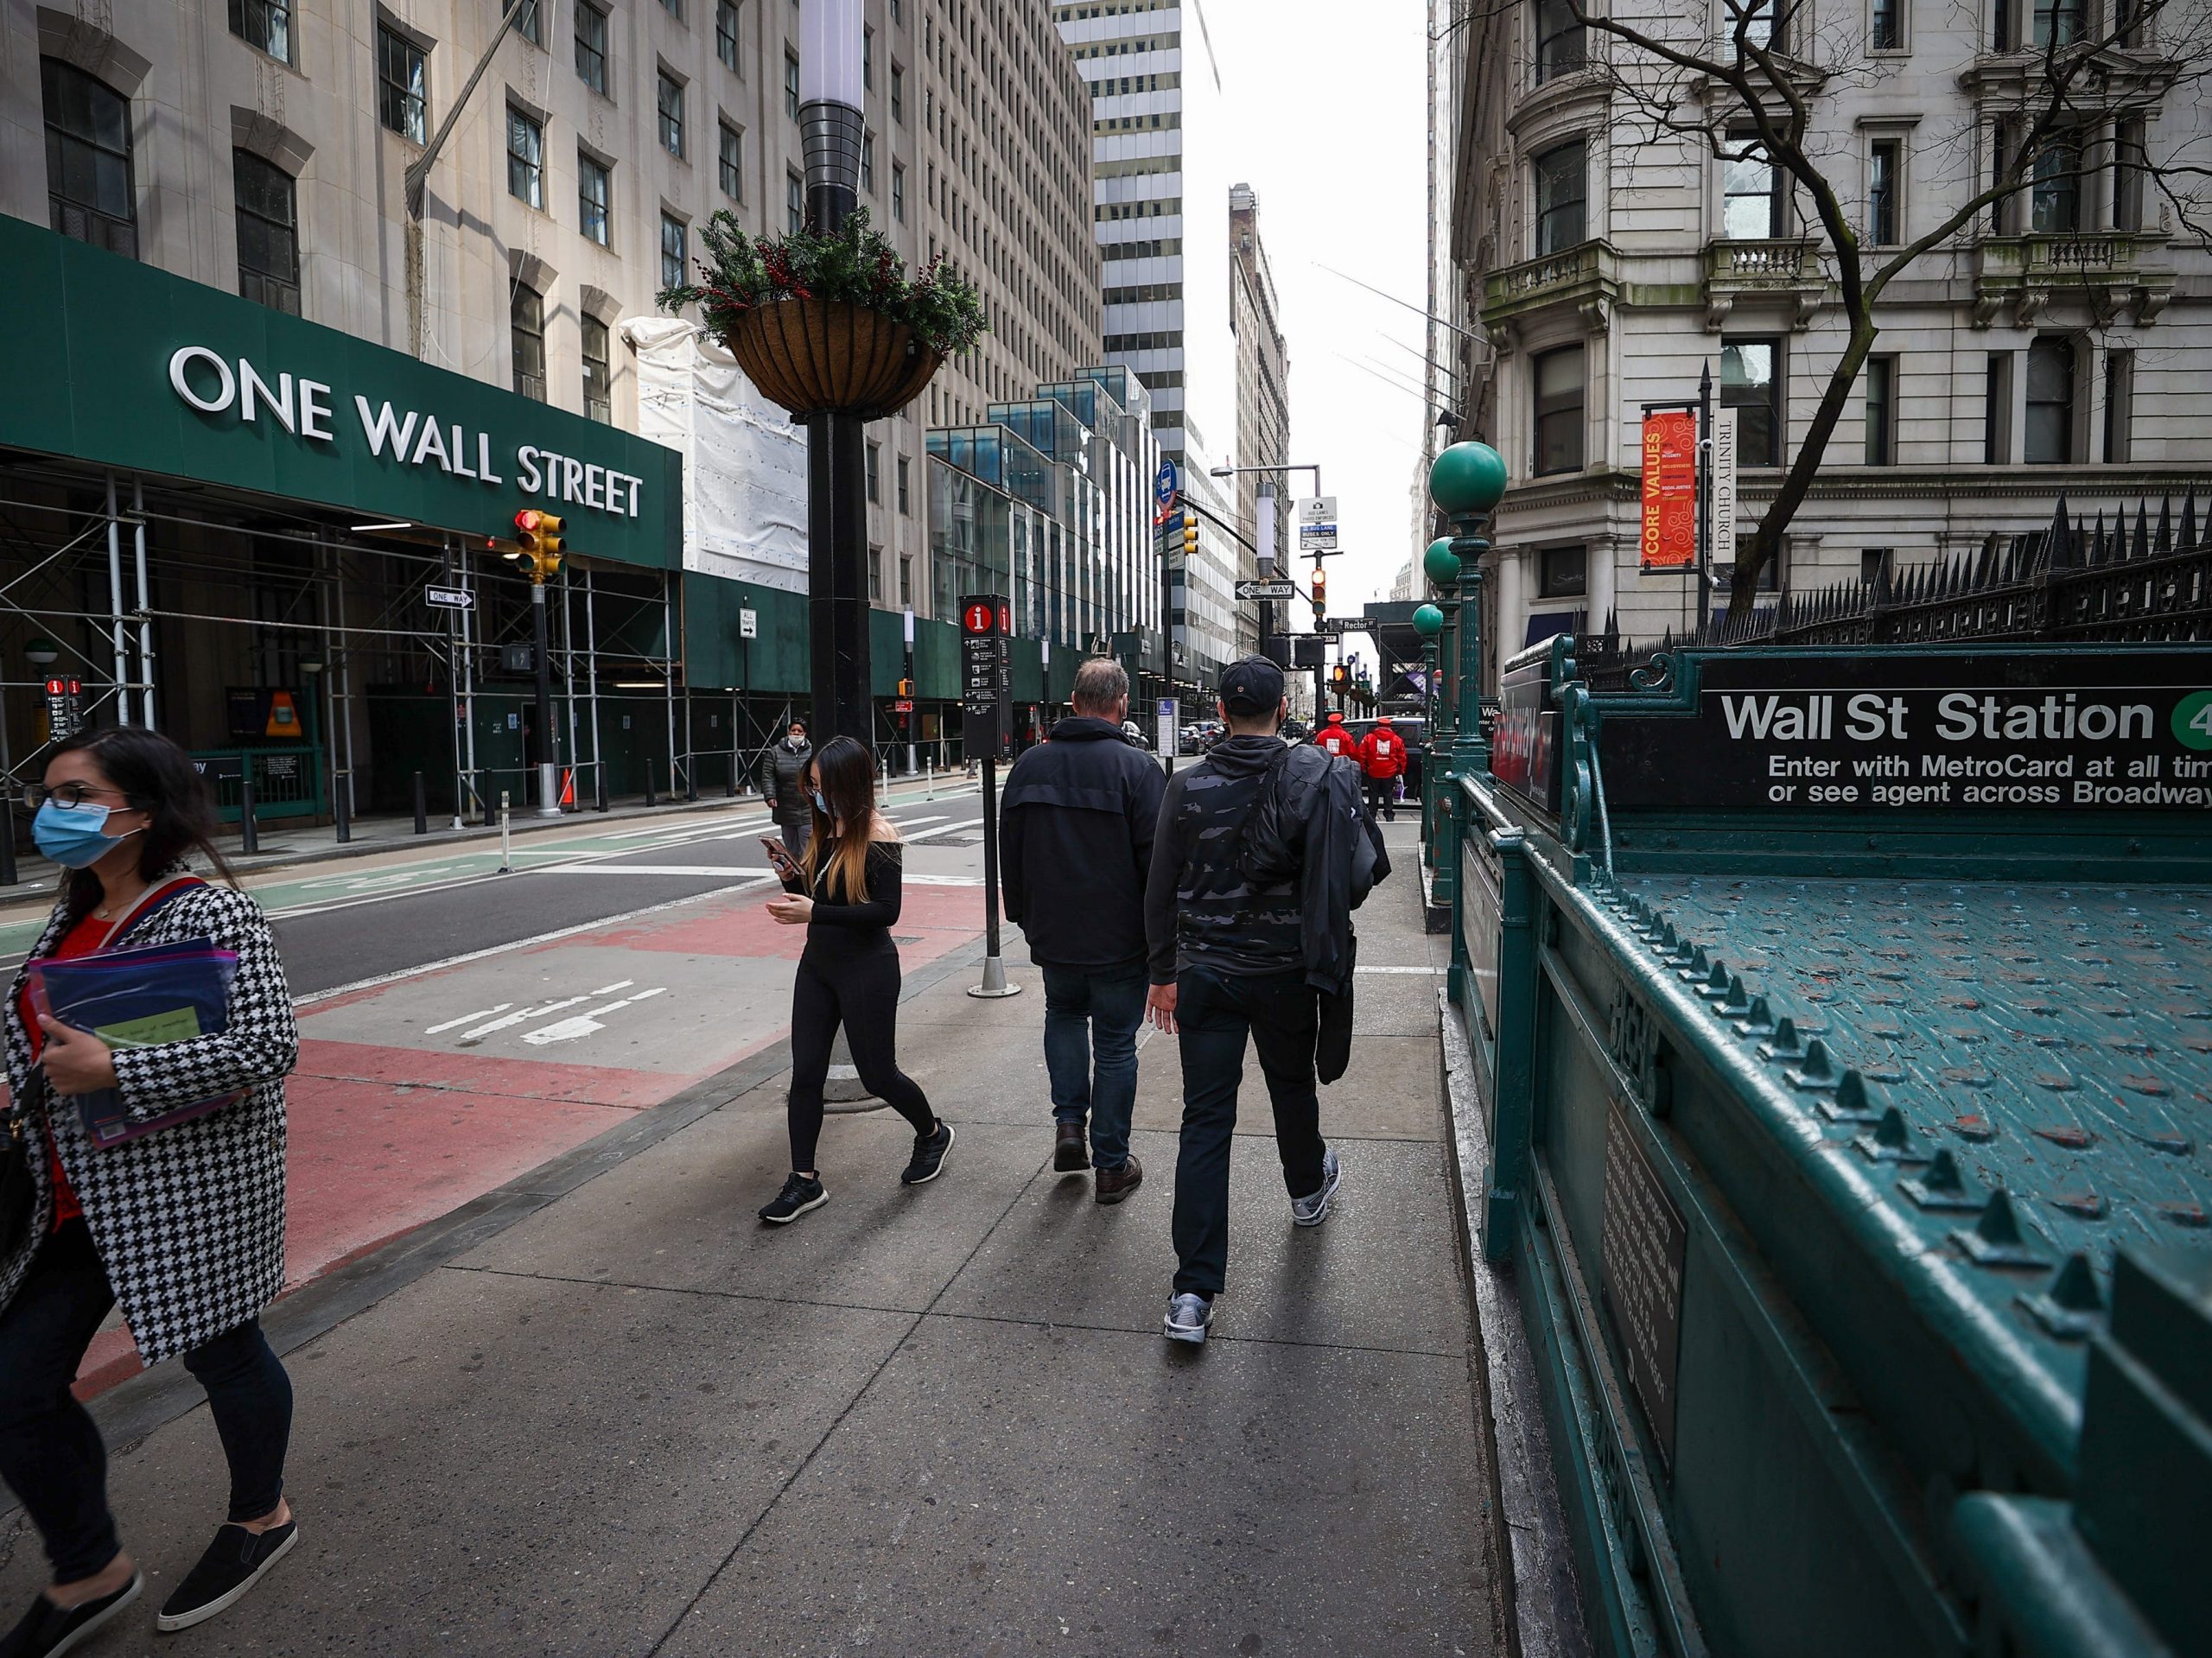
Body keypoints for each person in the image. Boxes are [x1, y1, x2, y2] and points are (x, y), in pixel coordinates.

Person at [0, 727, 302, 1655]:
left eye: (76, 794)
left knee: (225, 1351)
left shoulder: (210, 912)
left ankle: (262, 1514)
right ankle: (90, 1566)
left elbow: (266, 1048)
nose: (54, 813)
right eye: (48, 794)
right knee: (14, 1385)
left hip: (183, 1187)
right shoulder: (72, 907)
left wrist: (119, 1066)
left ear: (143, 807)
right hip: (67, 1197)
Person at [1144, 658, 1382, 1345]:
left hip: (1207, 975)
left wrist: (1163, 972)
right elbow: (1352, 879)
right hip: (1284, 971)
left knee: (1205, 1118)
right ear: (1282, 711)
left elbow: (1159, 891)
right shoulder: (1313, 780)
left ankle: (1192, 1292)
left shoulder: (1185, 789)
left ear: (1220, 712)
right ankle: (1308, 1189)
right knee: (1289, 1086)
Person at [757, 735, 953, 1223]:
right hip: (818, 967)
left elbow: (885, 912)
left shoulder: (879, 835)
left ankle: (932, 1133)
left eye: (820, 785)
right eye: (811, 785)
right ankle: (804, 1180)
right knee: (806, 1075)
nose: (813, 793)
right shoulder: (824, 830)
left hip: (868, 969)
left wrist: (814, 913)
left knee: (877, 1075)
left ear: (847, 784)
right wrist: (789, 878)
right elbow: (820, 895)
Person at [1000, 658, 1165, 1204]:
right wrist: (1161, 941)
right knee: (1116, 1046)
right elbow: (1158, 869)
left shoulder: (1028, 767)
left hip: (1054, 935)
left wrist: (1024, 916)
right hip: (1120, 939)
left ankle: (1069, 1125)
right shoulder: (1138, 770)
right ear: (1121, 703)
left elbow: (1011, 855)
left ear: (1073, 704)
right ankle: (1112, 1166)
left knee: (1063, 1017)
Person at [757, 718, 814, 861]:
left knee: (807, 848)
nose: (796, 734)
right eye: (793, 730)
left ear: (805, 733)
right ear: (788, 732)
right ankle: (795, 878)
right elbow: (768, 776)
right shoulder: (775, 752)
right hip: (786, 807)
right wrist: (770, 796)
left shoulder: (813, 751)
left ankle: (807, 877)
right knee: (791, 848)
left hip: (808, 807)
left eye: (799, 731)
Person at [1357, 715, 1408, 822]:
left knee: (1373, 793)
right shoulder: (1396, 739)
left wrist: (1363, 768)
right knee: (1388, 793)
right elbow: (1402, 757)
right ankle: (1389, 814)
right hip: (1390, 771)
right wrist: (1401, 770)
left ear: (1378, 726)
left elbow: (1362, 754)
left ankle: (1372, 814)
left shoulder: (1369, 738)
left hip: (1373, 770)